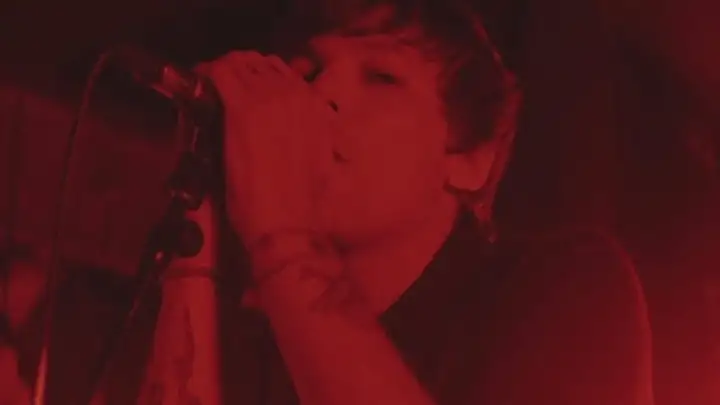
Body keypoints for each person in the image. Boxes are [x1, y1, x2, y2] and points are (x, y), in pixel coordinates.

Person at [3, 1, 654, 405]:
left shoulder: (566, 287)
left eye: (382, 76)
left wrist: (280, 230)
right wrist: (202, 196)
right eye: (310, 70)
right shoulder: (256, 335)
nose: (324, 93)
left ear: (470, 156)